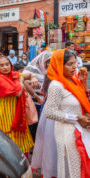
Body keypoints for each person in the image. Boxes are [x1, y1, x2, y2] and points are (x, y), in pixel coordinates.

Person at [45, 49, 90, 178]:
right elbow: (49, 112)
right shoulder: (56, 85)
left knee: (81, 165)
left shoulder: (73, 81)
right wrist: (76, 118)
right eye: (70, 64)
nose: (74, 67)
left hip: (79, 129)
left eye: (75, 63)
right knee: (72, 167)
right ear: (59, 64)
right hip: (67, 133)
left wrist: (83, 83)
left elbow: (82, 102)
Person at [0, 56, 34, 156]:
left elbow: (27, 75)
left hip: (16, 112)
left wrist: (34, 77)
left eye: (7, 64)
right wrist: (20, 81)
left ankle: (22, 165)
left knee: (18, 139)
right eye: (1, 65)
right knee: (7, 141)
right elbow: (18, 93)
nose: (5, 67)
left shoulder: (12, 75)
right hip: (5, 114)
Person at [22, 51, 52, 140]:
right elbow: (23, 82)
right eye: (47, 61)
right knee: (33, 123)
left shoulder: (48, 70)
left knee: (40, 126)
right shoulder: (32, 69)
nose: (49, 64)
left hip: (44, 103)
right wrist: (36, 96)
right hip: (33, 101)